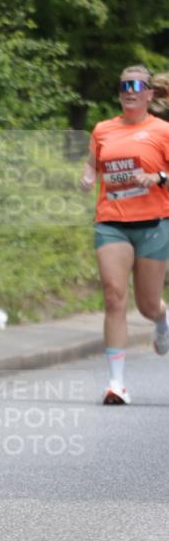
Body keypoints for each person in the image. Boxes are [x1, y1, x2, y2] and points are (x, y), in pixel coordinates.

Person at [79, 65, 169, 404]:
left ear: (149, 94)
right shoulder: (103, 130)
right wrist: (88, 177)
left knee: (146, 304)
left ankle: (162, 318)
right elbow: (93, 163)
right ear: (119, 93)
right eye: (123, 85)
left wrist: (158, 177)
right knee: (114, 297)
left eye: (137, 85)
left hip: (154, 223)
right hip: (111, 222)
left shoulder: (162, 131)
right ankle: (116, 384)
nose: (130, 90)